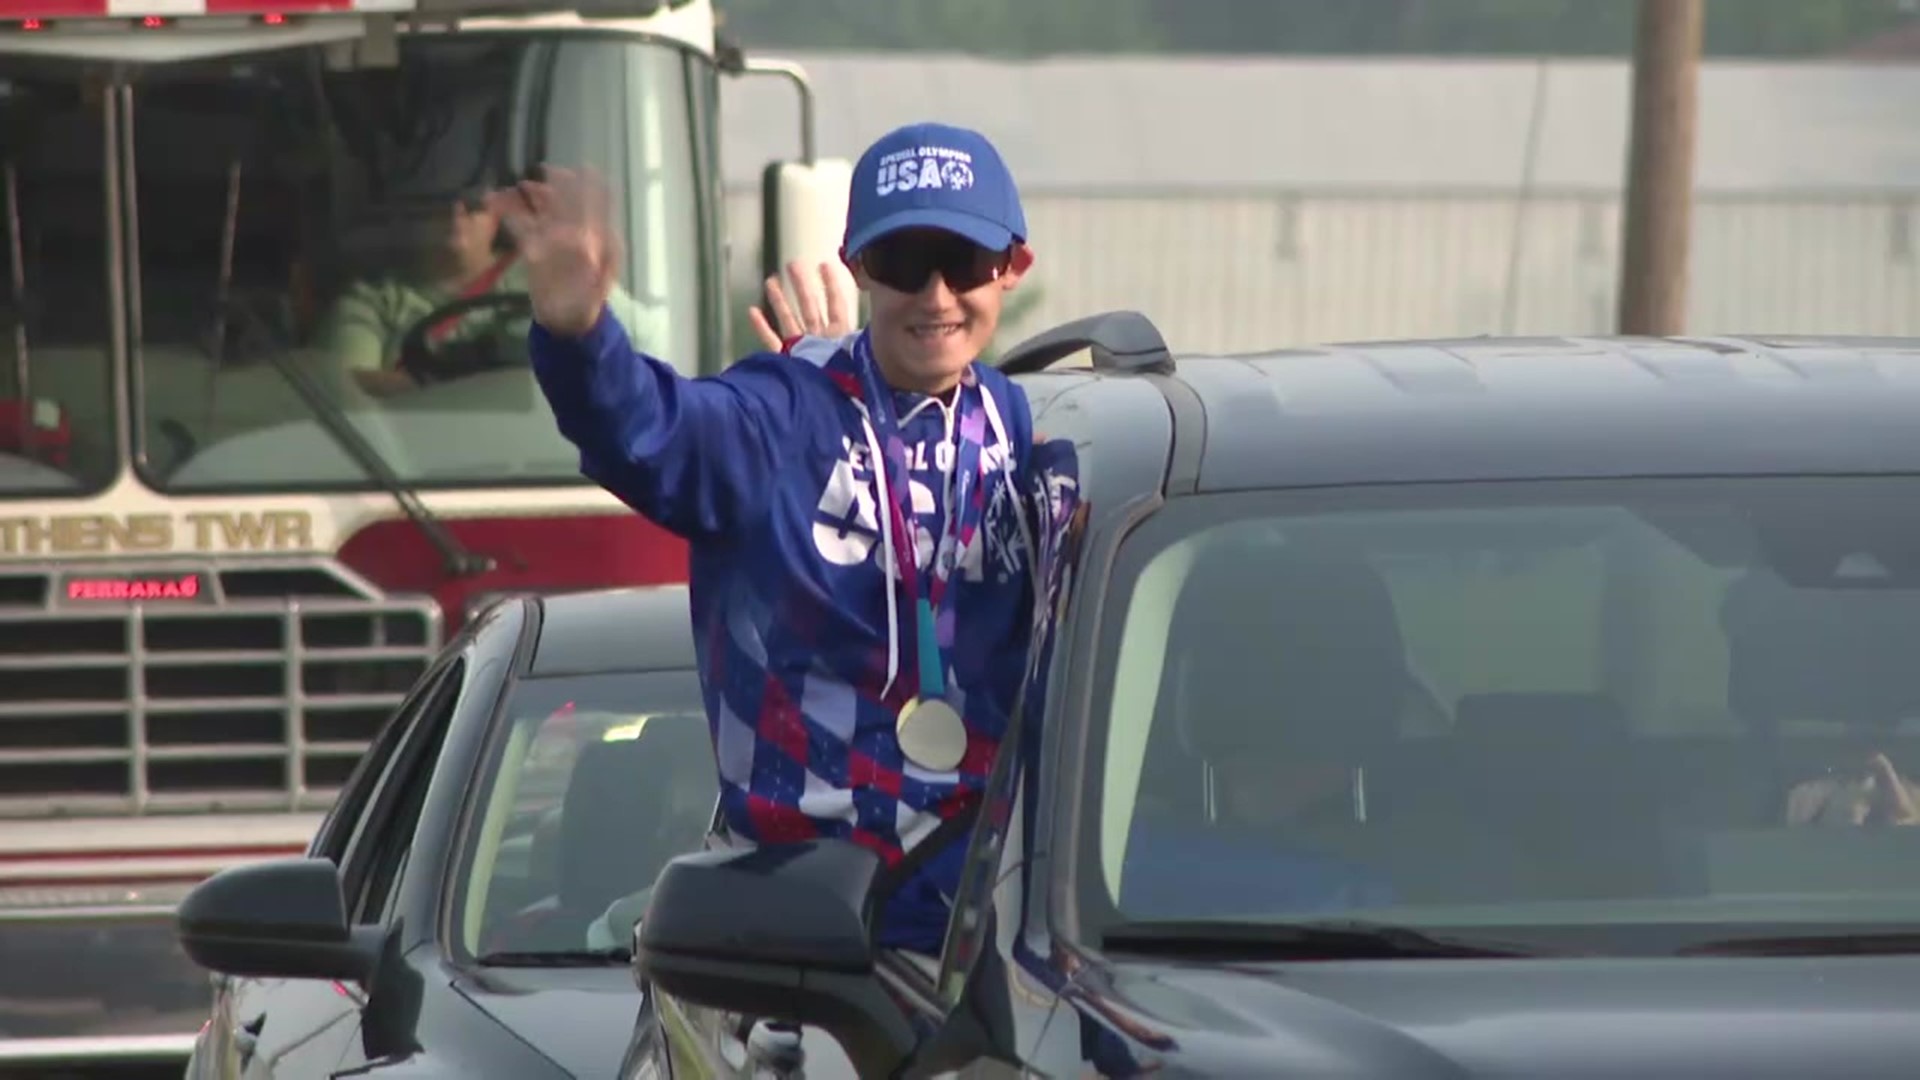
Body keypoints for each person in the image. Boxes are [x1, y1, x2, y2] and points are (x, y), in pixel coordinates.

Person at [500, 122, 1042, 955]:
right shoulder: (780, 416)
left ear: (1013, 268)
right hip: (813, 934)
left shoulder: (1028, 425)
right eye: (904, 264)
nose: (936, 297)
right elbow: (653, 433)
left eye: (964, 263)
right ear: (859, 267)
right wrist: (580, 337)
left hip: (1000, 918)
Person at [317, 187, 664, 397]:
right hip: (400, 473)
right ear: (414, 218)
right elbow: (342, 392)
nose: (456, 214)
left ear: (495, 216)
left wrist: (589, 290)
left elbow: (650, 348)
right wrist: (476, 390)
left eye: (472, 203)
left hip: (544, 464)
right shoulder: (376, 301)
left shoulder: (546, 273)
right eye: (439, 203)